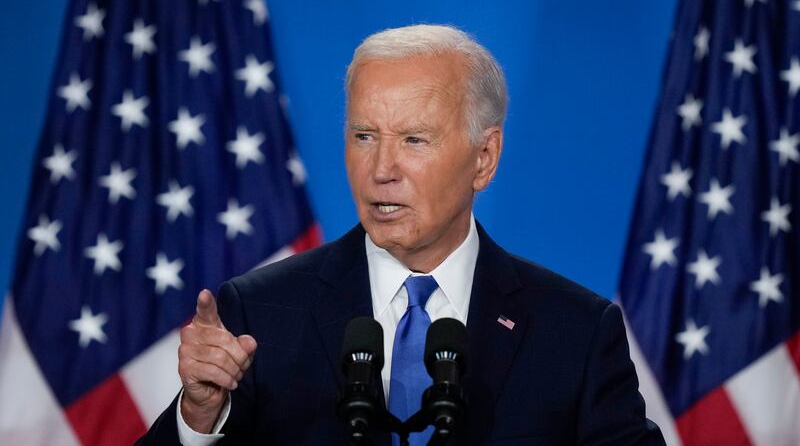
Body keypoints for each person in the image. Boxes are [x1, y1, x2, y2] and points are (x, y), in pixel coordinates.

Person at [137, 24, 665, 445]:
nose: (381, 169)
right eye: (364, 136)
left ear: (484, 158)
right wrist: (198, 418)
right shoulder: (260, 314)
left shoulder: (575, 331)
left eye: (414, 139)